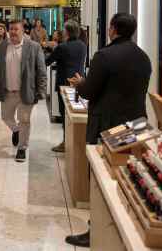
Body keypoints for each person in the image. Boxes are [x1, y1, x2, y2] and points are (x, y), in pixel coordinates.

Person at [64, 13, 152, 248]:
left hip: (107, 126)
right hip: (136, 125)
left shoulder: (104, 56)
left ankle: (97, 230)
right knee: (127, 176)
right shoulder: (144, 57)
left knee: (100, 179)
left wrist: (80, 84)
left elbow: (90, 91)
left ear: (112, 29)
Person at [0, 20, 47, 163]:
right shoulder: (1, 47)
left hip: (26, 91)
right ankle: (16, 130)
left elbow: (41, 70)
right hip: (7, 91)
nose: (13, 32)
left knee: (24, 120)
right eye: (11, 29)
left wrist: (41, 90)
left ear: (23, 31)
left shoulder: (34, 47)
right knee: (5, 117)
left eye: (16, 29)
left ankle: (22, 148)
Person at [45, 20, 87, 153]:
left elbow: (48, 61)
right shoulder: (82, 45)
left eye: (64, 29)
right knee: (76, 112)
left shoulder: (62, 47)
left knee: (65, 115)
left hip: (64, 82)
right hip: (78, 82)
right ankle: (76, 142)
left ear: (67, 32)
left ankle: (65, 142)